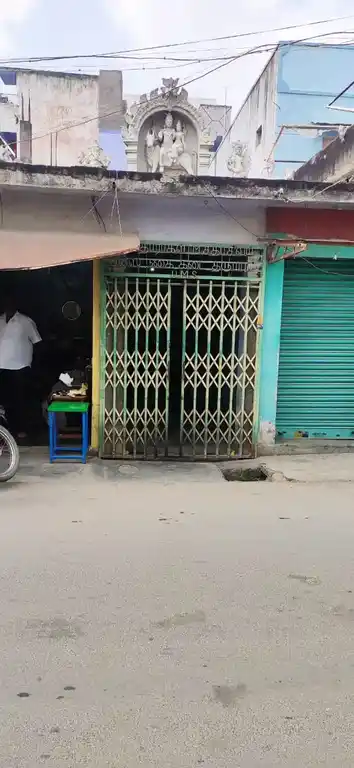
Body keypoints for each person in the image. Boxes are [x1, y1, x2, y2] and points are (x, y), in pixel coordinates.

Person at [0, 297, 41, 439]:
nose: (7, 305)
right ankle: (7, 431)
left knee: (21, 401)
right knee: (5, 402)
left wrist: (33, 364)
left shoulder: (25, 321)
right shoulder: (0, 321)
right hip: (2, 367)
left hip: (20, 367)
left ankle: (21, 429)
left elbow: (37, 342)